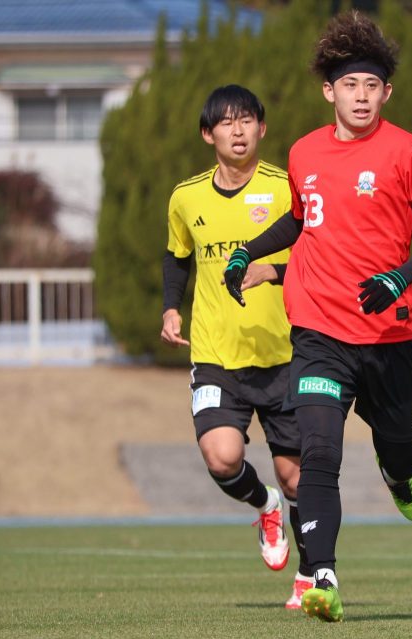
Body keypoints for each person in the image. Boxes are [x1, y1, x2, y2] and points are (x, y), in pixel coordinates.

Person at [223, 11, 412, 622]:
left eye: (371, 86)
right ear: (329, 91)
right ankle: (322, 577)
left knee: (402, 450)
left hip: (388, 335)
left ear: (387, 93)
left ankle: (397, 471)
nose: (361, 96)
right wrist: (249, 252)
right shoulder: (304, 151)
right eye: (350, 85)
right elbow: (300, 220)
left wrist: (398, 277)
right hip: (319, 331)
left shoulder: (409, 152)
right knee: (318, 454)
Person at [161, 85, 314, 609]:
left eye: (247, 120)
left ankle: (309, 576)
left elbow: (319, 258)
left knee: (296, 478)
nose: (238, 130)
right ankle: (264, 505)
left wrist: (272, 272)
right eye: (226, 123)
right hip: (215, 356)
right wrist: (170, 307)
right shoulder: (186, 197)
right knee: (222, 458)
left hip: (284, 355)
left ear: (262, 128)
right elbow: (177, 255)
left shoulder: (285, 189)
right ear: (209, 134)